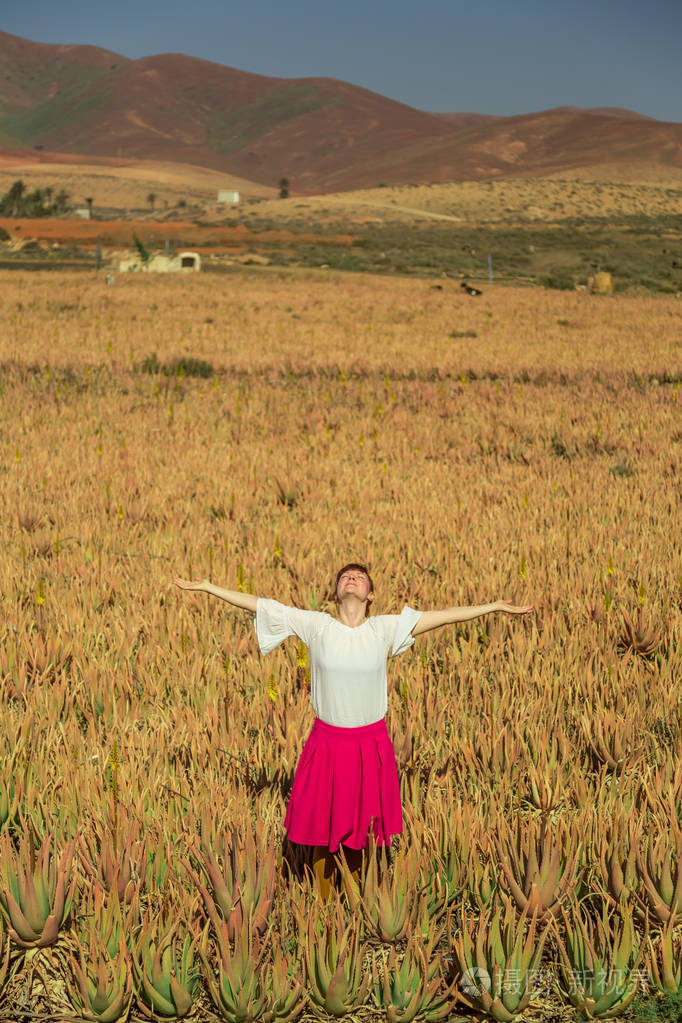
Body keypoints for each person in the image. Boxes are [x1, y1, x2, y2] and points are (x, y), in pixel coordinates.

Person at [174, 564, 533, 898]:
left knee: (363, 831)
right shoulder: (318, 626)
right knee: (321, 829)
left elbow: (441, 618)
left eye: (360, 577)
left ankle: (357, 901)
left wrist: (492, 607)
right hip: (327, 742)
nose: (351, 578)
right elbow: (261, 605)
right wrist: (207, 587)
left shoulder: (383, 629)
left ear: (370, 596)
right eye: (345, 576)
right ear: (335, 593)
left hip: (369, 744)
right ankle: (323, 902)